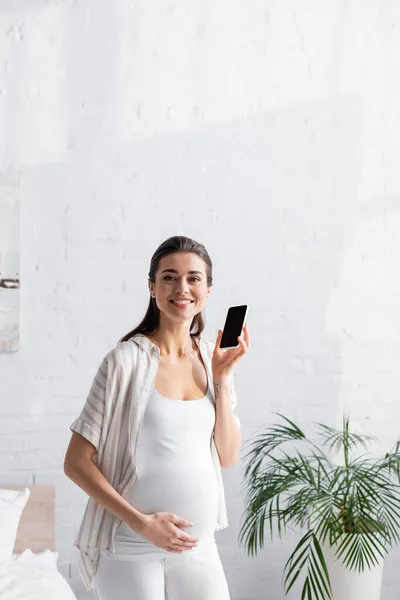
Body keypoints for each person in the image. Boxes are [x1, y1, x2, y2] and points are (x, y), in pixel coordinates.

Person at [64, 235, 250, 599]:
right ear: (152, 287)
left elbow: (228, 456)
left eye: (194, 278)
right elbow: (75, 462)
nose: (182, 287)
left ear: (208, 290)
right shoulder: (125, 361)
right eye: (169, 277)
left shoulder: (212, 360)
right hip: (130, 547)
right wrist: (143, 524)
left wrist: (224, 380)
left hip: (199, 547)